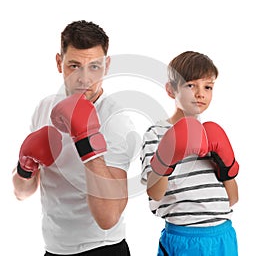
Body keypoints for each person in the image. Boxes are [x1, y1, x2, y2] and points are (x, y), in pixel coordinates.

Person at [12, 20, 139, 256]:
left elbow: (109, 217)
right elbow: (21, 193)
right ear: (59, 63)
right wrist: (24, 166)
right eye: (74, 65)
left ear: (107, 65)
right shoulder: (45, 108)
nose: (84, 79)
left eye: (94, 66)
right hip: (54, 249)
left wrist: (87, 142)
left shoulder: (116, 121)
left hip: (102, 249)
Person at [140, 51, 239, 256]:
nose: (200, 93)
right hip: (183, 237)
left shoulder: (212, 136)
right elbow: (155, 193)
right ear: (170, 89)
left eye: (208, 87)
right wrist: (166, 158)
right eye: (191, 85)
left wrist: (226, 166)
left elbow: (233, 198)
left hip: (223, 235)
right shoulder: (156, 134)